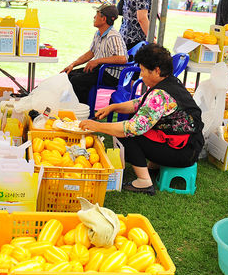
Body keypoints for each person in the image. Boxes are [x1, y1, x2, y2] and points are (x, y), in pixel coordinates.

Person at [79, 44, 204, 195]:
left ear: (157, 70)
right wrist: (113, 107)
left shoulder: (160, 93)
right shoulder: (170, 82)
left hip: (184, 153)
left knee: (128, 135)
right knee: (136, 119)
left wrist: (97, 126)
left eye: (143, 71)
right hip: (189, 145)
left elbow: (131, 128)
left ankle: (144, 182)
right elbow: (139, 104)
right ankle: (155, 165)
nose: (141, 75)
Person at [61, 3, 127, 104]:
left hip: (111, 74)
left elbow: (122, 59)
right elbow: (91, 53)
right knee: (69, 76)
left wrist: (97, 61)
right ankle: (75, 109)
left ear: (104, 19)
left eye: (96, 15)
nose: (94, 17)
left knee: (77, 81)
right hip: (101, 70)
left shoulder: (113, 36)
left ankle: (83, 112)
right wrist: (73, 64)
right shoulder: (98, 33)